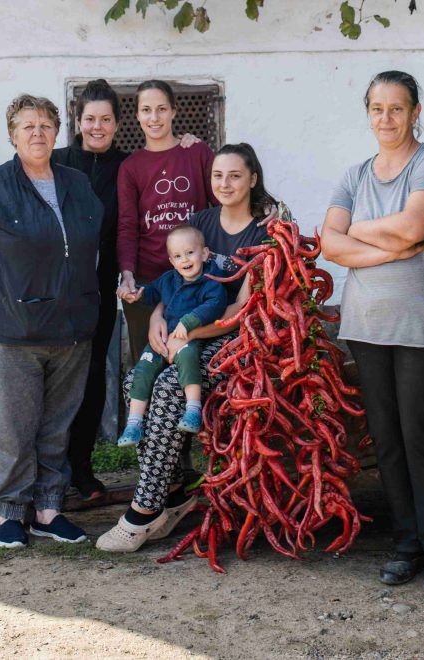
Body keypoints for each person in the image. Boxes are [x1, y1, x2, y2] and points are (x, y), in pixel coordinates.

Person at [96, 143, 275, 552]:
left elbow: (242, 305)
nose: (224, 183)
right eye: (217, 175)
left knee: (167, 387)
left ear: (252, 179)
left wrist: (189, 334)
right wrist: (159, 317)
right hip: (181, 331)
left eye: (234, 175)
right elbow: (171, 282)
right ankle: (174, 489)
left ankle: (143, 509)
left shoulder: (264, 232)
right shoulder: (200, 223)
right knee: (133, 381)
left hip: (234, 337)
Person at [320, 71, 424, 595]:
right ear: (368, 113)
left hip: (421, 323)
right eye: (377, 108)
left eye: (397, 108)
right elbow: (328, 245)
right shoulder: (354, 175)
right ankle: (408, 547)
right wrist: (390, 247)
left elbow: (415, 227)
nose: (386, 118)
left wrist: (358, 231)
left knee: (421, 435)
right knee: (388, 440)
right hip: (366, 324)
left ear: (415, 111)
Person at [0, 94, 104, 549]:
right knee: (14, 427)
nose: (37, 133)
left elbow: (88, 250)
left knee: (57, 425)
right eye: (27, 126)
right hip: (13, 332)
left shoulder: (78, 183)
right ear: (12, 135)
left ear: (56, 132)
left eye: (45, 124)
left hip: (73, 329)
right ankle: (11, 512)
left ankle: (49, 509)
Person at [51, 80, 201, 502]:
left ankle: (89, 471)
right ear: (77, 122)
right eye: (89, 119)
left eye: (105, 119)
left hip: (107, 288)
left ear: (119, 123)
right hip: (55, 290)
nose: (97, 126)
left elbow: (134, 223)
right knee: (57, 378)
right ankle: (50, 475)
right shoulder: (58, 161)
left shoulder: (127, 164)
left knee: (101, 373)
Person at [116, 80, 217, 363]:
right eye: (146, 110)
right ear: (136, 115)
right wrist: (127, 273)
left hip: (194, 276)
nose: (154, 117)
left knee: (191, 361)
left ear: (174, 111)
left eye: (161, 109)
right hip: (148, 280)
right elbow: (127, 225)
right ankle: (143, 411)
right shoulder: (131, 167)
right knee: (148, 362)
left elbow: (221, 205)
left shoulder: (197, 153)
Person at [117, 225, 227, 446]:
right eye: (177, 256)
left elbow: (215, 305)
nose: (184, 259)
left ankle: (193, 410)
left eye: (190, 253)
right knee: (144, 366)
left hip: (189, 339)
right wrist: (136, 294)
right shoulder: (169, 279)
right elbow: (152, 293)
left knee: (188, 359)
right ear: (171, 261)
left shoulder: (212, 281)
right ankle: (134, 423)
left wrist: (189, 321)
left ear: (204, 254)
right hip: (164, 338)